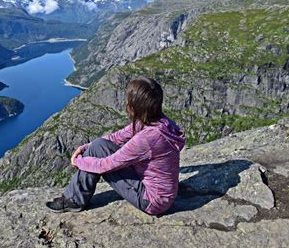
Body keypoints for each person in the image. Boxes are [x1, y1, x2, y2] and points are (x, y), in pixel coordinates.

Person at [45, 76, 186, 215]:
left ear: (135, 106)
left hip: (151, 201)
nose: (127, 103)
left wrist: (79, 161)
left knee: (98, 153)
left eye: (129, 100)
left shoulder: (148, 139)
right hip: (163, 194)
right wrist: (85, 147)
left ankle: (74, 200)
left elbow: (105, 165)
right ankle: (74, 197)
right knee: (98, 145)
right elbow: (116, 137)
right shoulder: (160, 122)